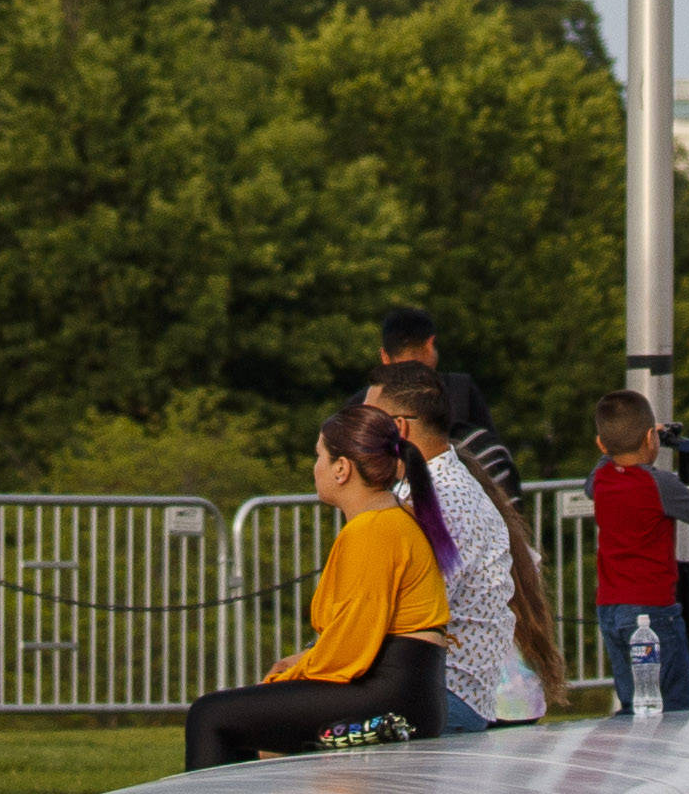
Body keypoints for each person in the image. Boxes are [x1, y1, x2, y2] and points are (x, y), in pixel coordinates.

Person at [180, 403, 454, 768]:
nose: (315, 468)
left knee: (210, 716)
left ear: (342, 468)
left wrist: (293, 674)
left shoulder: (373, 529)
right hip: (404, 693)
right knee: (237, 717)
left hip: (392, 700)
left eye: (319, 456)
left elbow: (352, 648)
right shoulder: (388, 521)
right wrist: (299, 666)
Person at [373, 368, 557, 726]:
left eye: (369, 424)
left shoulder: (438, 499)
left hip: (455, 694)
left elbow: (419, 608)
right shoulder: (451, 484)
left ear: (400, 428)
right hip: (476, 693)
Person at [587, 392, 689, 715]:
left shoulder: (601, 479)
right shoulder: (659, 484)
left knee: (636, 705)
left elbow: (602, 465)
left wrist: (623, 442)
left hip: (611, 611)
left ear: (601, 445)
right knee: (673, 708)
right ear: (651, 437)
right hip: (652, 612)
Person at [376, 309, 518, 502]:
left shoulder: (369, 401)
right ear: (430, 344)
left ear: (384, 355)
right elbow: (491, 456)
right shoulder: (460, 391)